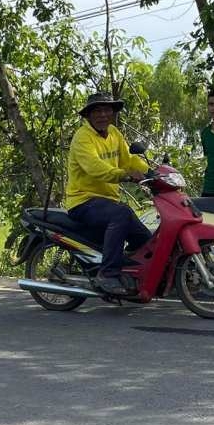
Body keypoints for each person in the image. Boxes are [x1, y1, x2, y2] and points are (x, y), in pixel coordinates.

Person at [65, 92, 151, 295]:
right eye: (97, 111)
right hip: (83, 201)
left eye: (107, 110)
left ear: (112, 113)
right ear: (88, 115)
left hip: (108, 202)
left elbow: (129, 159)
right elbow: (95, 167)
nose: (103, 115)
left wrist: (152, 172)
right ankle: (108, 274)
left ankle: (129, 269)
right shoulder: (82, 137)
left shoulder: (114, 133)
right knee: (121, 213)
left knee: (145, 239)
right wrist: (125, 175)